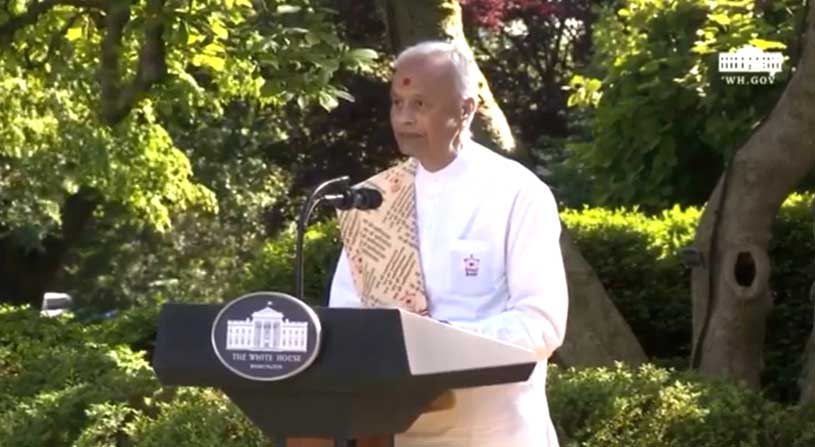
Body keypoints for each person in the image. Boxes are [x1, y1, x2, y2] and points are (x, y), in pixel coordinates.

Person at [329, 40, 569, 447]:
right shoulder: (374, 198)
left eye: (420, 104)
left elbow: (541, 324)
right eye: (397, 102)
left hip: (496, 432)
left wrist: (444, 342)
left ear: (466, 109)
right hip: (400, 431)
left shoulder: (516, 193)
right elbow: (346, 317)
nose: (404, 118)